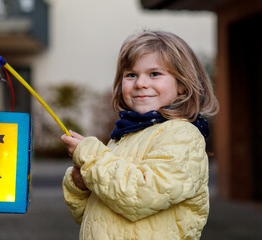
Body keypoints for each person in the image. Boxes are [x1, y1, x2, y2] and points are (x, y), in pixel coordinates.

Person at [60, 30, 219, 240]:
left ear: (181, 85)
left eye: (154, 74)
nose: (140, 83)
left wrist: (91, 157)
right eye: (131, 75)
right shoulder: (124, 137)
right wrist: (81, 185)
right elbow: (95, 217)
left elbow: (140, 196)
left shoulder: (183, 135)